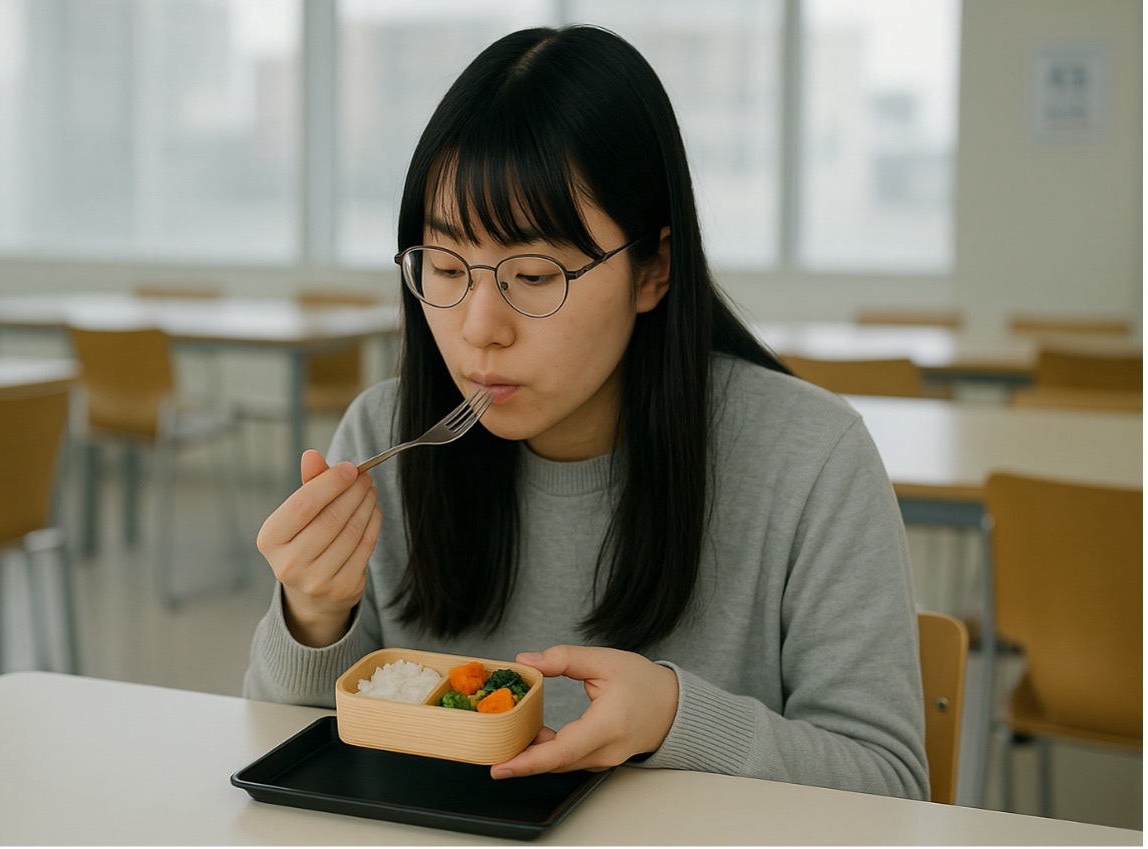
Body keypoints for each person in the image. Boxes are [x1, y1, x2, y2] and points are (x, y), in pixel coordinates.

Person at [245, 24, 928, 800]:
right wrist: (313, 615)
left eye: (534, 274)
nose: (477, 328)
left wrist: (676, 719)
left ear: (653, 269)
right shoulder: (384, 439)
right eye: (443, 266)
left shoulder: (811, 460)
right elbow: (290, 763)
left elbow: (891, 789)